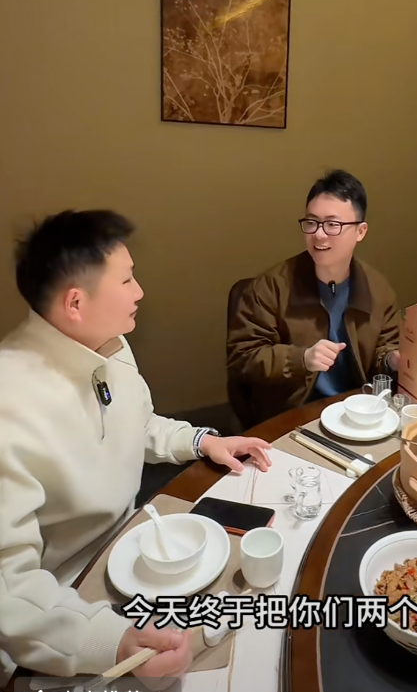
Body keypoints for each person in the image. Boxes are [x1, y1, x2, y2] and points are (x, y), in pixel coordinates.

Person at [0, 210, 271, 686]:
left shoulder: (106, 343)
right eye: (126, 280)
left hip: (130, 544)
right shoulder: (11, 403)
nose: (140, 291)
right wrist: (113, 642)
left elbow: (137, 423)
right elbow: (10, 588)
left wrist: (202, 440)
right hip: (63, 604)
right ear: (76, 302)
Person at [227, 170, 401, 424]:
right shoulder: (270, 287)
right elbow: (243, 359)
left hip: (355, 408)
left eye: (333, 225)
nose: (319, 234)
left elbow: (383, 347)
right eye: (312, 223)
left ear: (360, 231)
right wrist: (302, 359)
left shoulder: (377, 289)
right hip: (293, 414)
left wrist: (392, 359)